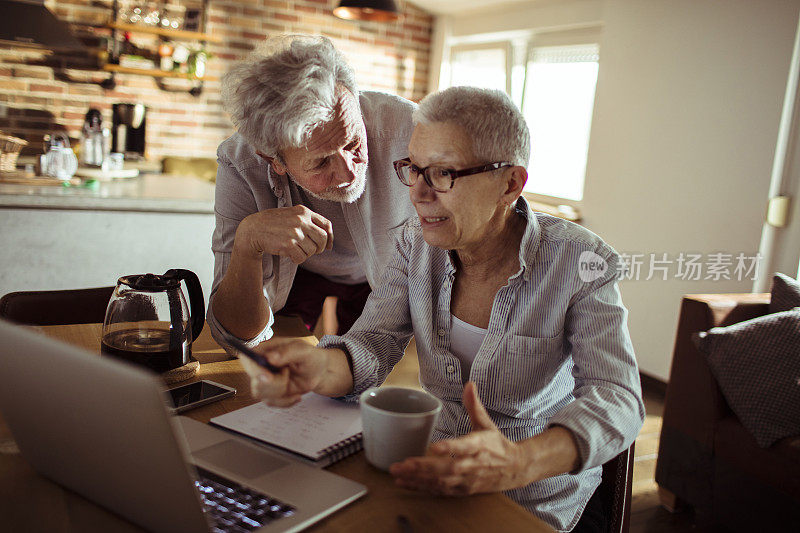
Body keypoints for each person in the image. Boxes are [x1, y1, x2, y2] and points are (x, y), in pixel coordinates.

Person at [240, 86, 645, 532]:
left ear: (509, 183)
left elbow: (618, 396)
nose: (417, 193)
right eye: (412, 169)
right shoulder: (414, 244)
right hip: (434, 477)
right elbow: (373, 343)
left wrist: (519, 462)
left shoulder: (581, 262)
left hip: (534, 500)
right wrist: (318, 367)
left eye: (443, 174)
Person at [207, 35, 417, 350]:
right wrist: (247, 243)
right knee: (279, 361)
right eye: (320, 162)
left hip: (382, 273)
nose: (349, 172)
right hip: (299, 273)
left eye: (353, 142)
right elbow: (235, 337)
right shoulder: (241, 163)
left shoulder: (410, 127)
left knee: (358, 374)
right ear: (274, 160)